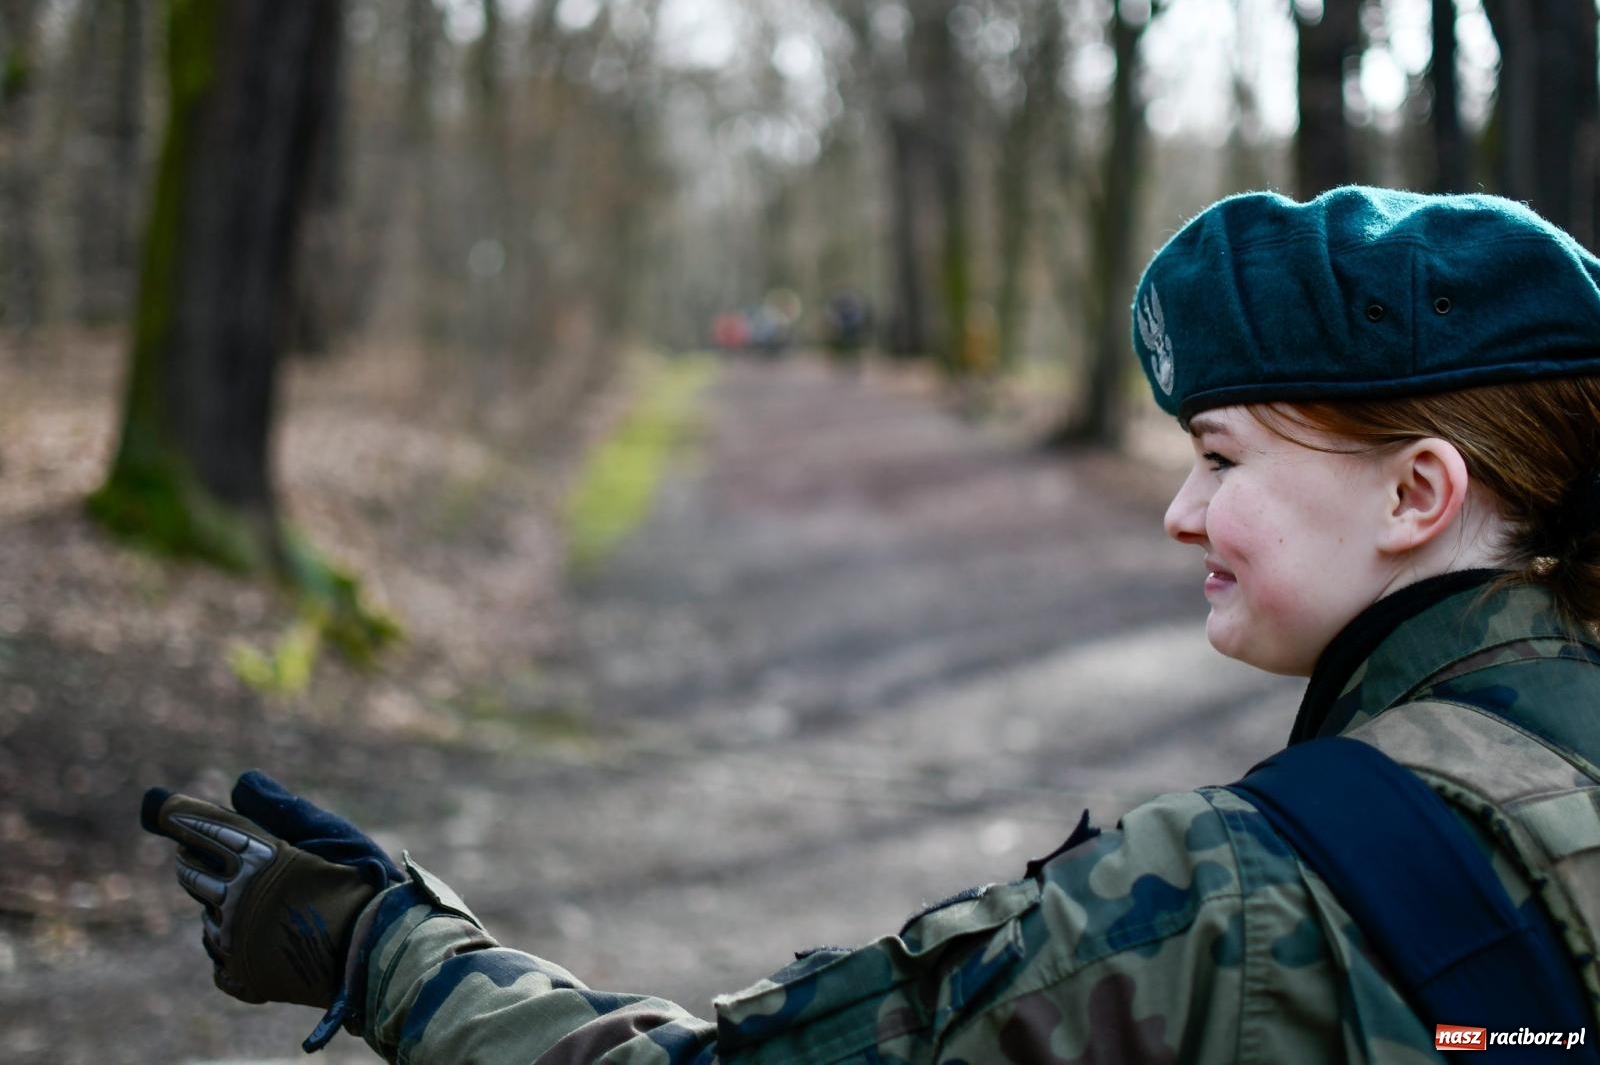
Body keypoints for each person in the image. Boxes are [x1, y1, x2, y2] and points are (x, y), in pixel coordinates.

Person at [143, 186, 1600, 1062]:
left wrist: (381, 949)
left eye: (1221, 457)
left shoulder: (1231, 899)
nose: (1180, 510)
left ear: (1419, 491)